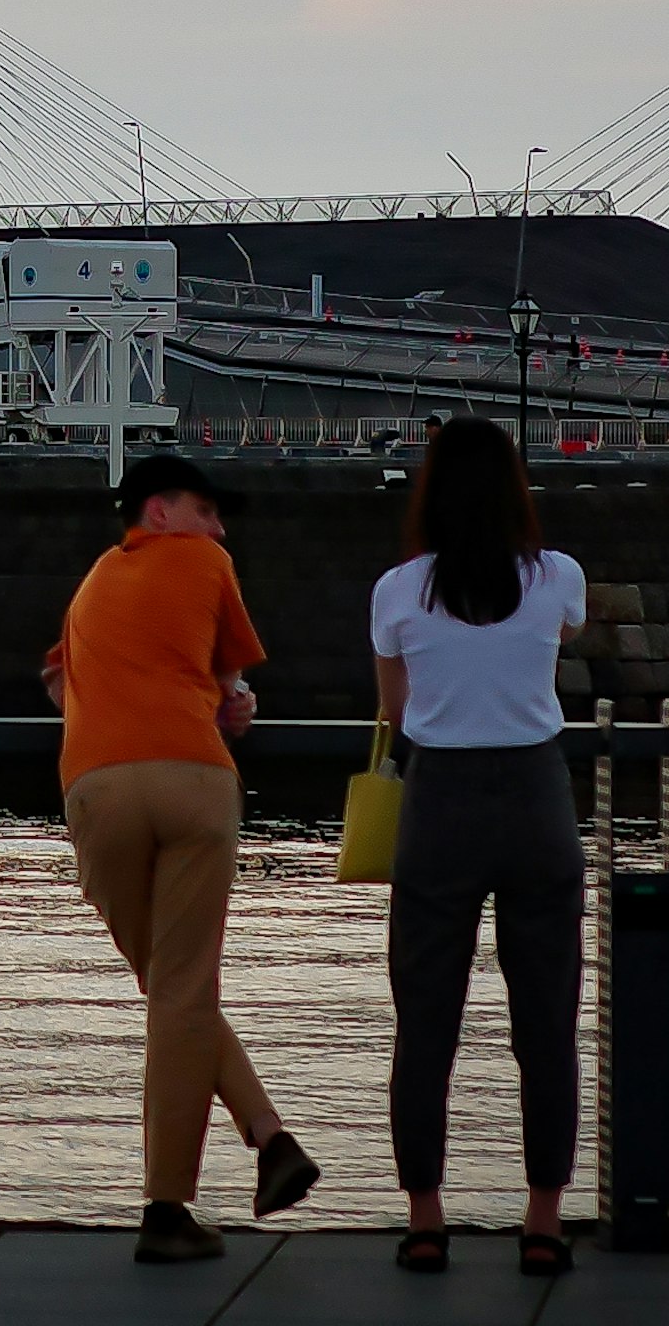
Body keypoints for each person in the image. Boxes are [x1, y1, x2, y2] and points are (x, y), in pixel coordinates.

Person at [43, 453, 322, 1262]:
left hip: (96, 788)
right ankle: (167, 1210)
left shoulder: (90, 585)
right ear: (159, 512)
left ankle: (271, 1140)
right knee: (184, 992)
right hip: (192, 780)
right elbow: (231, 683)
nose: (220, 526)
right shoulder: (208, 563)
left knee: (171, 992)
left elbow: (59, 686)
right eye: (207, 509)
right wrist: (233, 705)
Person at [371, 414, 592, 1277]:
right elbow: (559, 640)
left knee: (425, 1023)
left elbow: (397, 713)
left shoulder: (398, 590)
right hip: (538, 800)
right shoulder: (558, 577)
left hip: (440, 806)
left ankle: (427, 1219)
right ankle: (542, 1222)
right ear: (513, 488)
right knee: (547, 1024)